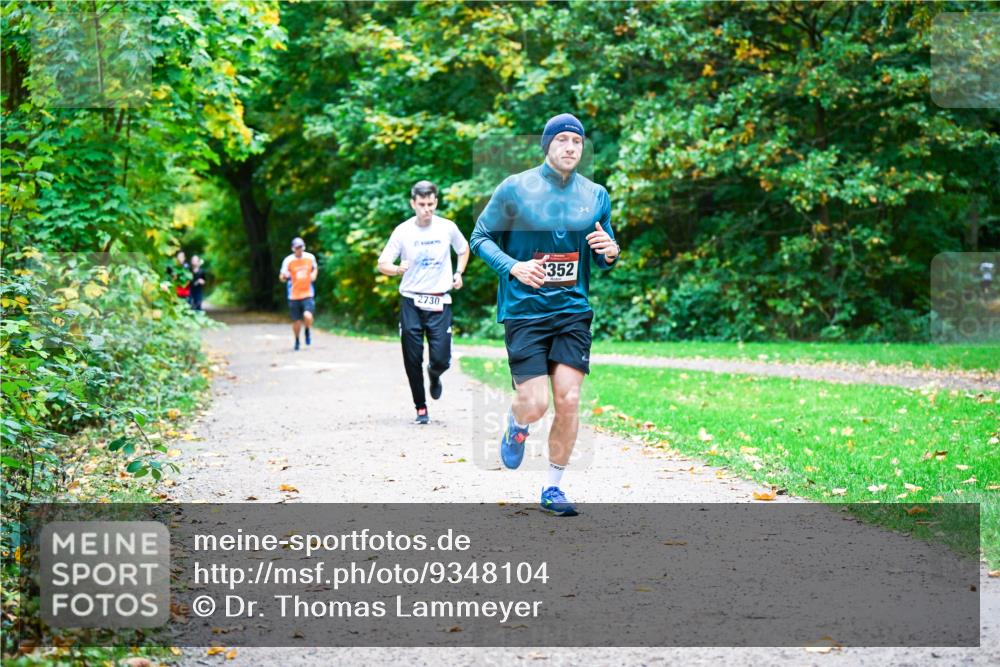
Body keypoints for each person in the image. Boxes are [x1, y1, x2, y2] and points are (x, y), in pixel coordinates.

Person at [469, 113, 620, 516]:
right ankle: (518, 425)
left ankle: (553, 487)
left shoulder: (595, 195)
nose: (571, 147)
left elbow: (604, 248)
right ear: (547, 145)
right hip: (525, 310)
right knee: (535, 404)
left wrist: (611, 251)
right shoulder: (515, 189)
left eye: (578, 141)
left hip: (572, 310)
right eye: (563, 140)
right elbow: (480, 238)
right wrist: (513, 267)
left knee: (568, 399)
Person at [377, 180, 470, 425]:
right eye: (422, 204)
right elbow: (382, 263)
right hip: (411, 302)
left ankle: (435, 373)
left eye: (431, 204)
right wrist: (397, 269)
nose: (426, 209)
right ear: (413, 203)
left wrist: (459, 273)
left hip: (440, 301)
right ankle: (421, 406)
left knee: (441, 358)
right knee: (412, 357)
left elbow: (463, 248)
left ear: (436, 202)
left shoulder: (447, 227)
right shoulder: (403, 231)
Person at [278, 237, 318, 351]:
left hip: (307, 293)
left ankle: (307, 330)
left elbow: (314, 268)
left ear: (304, 247)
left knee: (308, 315)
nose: (299, 250)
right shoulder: (288, 261)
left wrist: (314, 275)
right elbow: (281, 276)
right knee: (296, 321)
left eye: (301, 247)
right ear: (293, 249)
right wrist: (284, 277)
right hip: (294, 295)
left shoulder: (310, 258)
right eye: (297, 248)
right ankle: (297, 340)